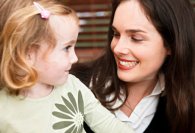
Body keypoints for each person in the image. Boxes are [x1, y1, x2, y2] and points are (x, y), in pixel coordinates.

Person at [0, 0, 136, 133]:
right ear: (28, 54)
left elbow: (108, 126)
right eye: (67, 48)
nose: (75, 58)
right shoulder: (3, 107)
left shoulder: (73, 87)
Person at [71, 0, 195, 133]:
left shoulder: (188, 104)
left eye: (136, 38)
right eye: (116, 34)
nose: (118, 48)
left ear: (171, 44)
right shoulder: (72, 84)